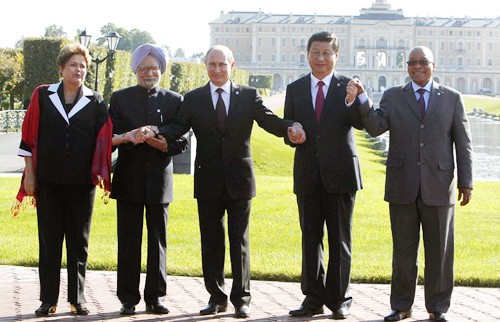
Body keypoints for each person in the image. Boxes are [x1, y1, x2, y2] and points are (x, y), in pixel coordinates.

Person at [158, 44, 306, 319]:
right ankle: (216, 297)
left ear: (232, 66)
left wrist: (291, 128)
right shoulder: (193, 98)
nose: (217, 70)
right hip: (208, 180)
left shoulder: (249, 96)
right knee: (211, 241)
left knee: (239, 241)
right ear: (206, 66)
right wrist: (156, 131)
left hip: (240, 178)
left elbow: (269, 121)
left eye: (222, 65)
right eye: (212, 64)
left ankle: (241, 299)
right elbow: (178, 126)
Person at [348, 46, 473, 321]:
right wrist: (363, 98)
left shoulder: (452, 98)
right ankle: (401, 306)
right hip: (402, 184)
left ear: (433, 65)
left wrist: (467, 182)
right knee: (403, 251)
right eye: (412, 62)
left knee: (439, 252)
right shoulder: (394, 96)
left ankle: (438, 308)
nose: (417, 66)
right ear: (407, 66)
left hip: (440, 186)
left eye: (423, 62)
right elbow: (376, 127)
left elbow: (463, 143)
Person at [14, 42, 112, 317]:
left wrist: (129, 137)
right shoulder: (43, 96)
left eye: (83, 66)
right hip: (48, 182)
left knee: (78, 243)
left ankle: (77, 299)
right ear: (61, 68)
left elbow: (104, 139)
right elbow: (28, 137)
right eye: (73, 65)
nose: (78, 70)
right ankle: (48, 300)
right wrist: (30, 175)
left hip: (82, 185)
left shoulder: (96, 101)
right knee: (49, 242)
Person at [284, 31, 364, 320]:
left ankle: (339, 299)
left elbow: (361, 122)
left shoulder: (348, 87)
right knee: (310, 239)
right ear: (307, 55)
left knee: (340, 239)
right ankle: (313, 298)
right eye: (315, 53)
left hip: (341, 174)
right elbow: (289, 129)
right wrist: (292, 132)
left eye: (326, 53)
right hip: (307, 175)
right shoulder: (295, 89)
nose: (320, 58)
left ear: (336, 56)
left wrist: (354, 100)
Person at [108, 44, 189, 315]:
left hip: (159, 181)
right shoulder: (119, 99)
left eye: (154, 68)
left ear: (161, 70)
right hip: (128, 179)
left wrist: (162, 142)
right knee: (128, 241)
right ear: (135, 70)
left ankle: (156, 297)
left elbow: (183, 140)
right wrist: (130, 134)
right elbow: (108, 138)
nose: (149, 73)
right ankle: (127, 298)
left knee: (158, 242)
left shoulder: (175, 99)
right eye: (143, 68)